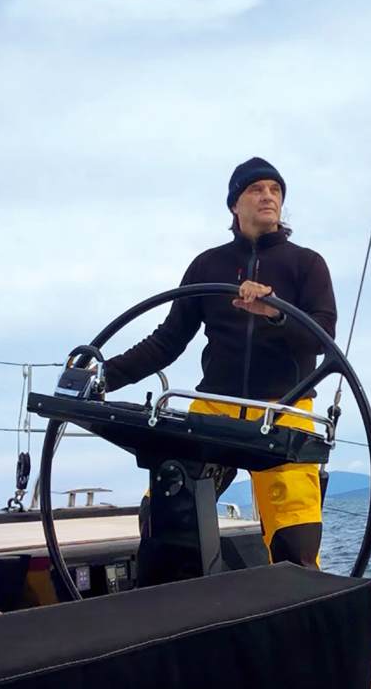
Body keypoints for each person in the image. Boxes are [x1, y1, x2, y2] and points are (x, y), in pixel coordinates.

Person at [103, 156, 337, 569]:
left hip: (284, 410)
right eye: (256, 190)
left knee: (296, 547)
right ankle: (183, 611)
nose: (268, 197)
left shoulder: (307, 263)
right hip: (215, 409)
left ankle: (291, 624)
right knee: (165, 508)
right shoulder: (207, 266)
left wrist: (275, 312)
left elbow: (323, 336)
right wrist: (103, 375)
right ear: (235, 205)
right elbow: (167, 341)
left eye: (275, 190)